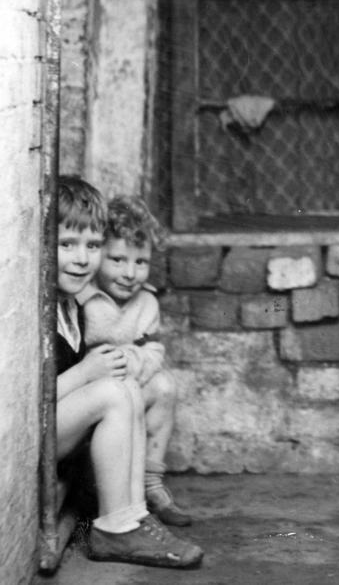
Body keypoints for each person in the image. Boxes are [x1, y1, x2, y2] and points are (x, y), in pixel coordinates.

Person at [55, 175, 203, 568]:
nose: (82, 258)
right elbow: (29, 401)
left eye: (92, 246)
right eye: (66, 245)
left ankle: (133, 516)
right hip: (31, 440)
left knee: (127, 389)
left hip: (62, 426)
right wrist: (90, 370)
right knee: (113, 391)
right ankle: (115, 528)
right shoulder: (46, 308)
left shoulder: (68, 302)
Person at [80, 194, 192, 527]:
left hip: (127, 384)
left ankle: (150, 483)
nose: (130, 273)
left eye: (140, 262)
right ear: (98, 253)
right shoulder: (83, 299)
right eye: (117, 259)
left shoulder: (146, 303)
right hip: (92, 400)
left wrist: (131, 360)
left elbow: (154, 351)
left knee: (165, 386)